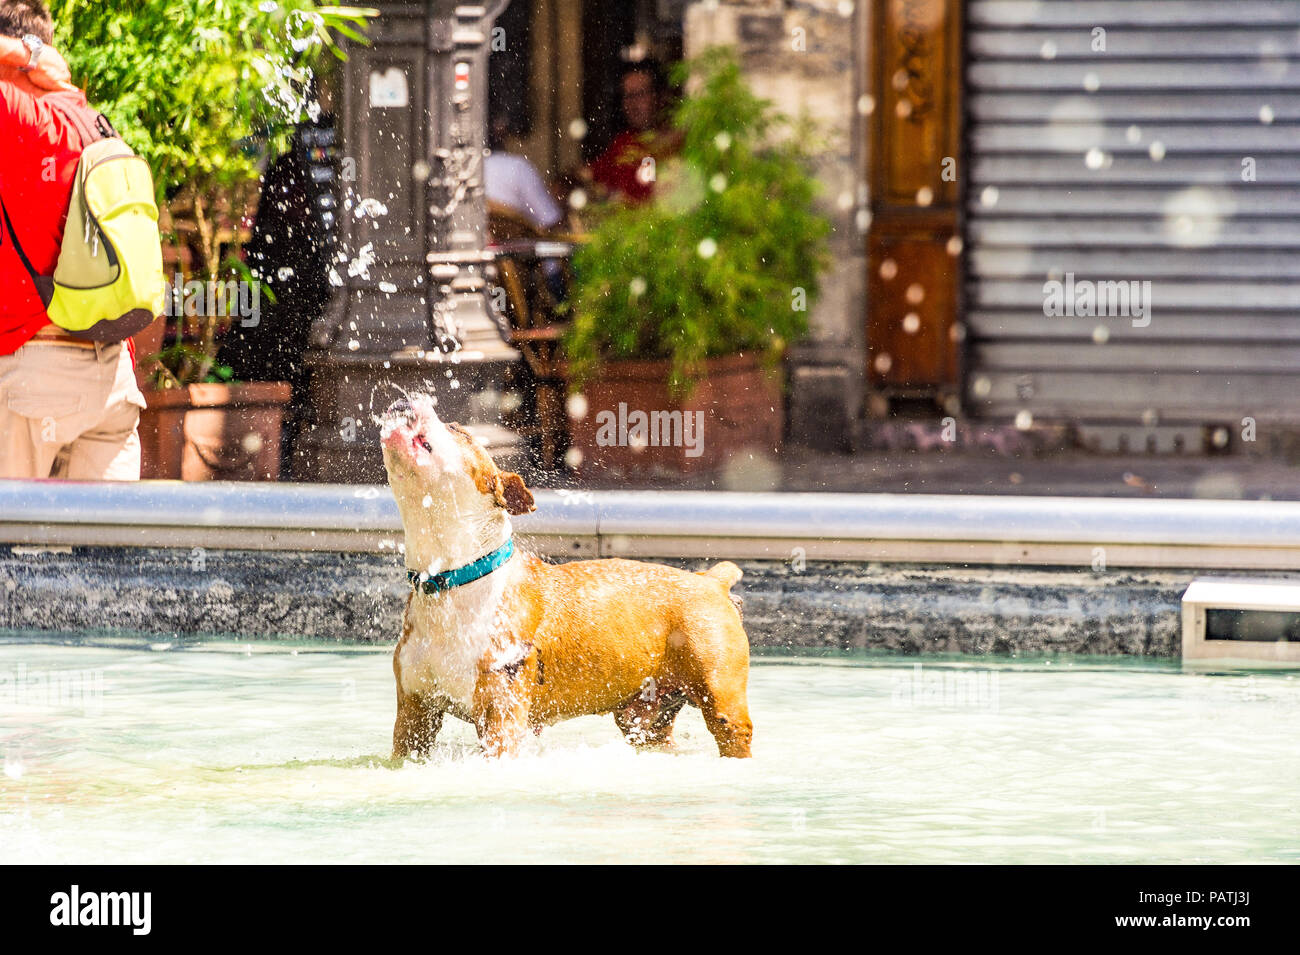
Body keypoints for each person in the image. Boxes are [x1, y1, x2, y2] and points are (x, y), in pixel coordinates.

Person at [0, 0, 148, 481]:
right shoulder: (90, 117)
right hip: (113, 382)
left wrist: (26, 55)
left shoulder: (18, 114)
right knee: (109, 555)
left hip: (33, 376)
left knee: (13, 550)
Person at [588, 60, 680, 205]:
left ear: (661, 97)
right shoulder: (624, 142)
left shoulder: (679, 144)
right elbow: (591, 177)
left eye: (640, 94)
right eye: (627, 96)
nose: (631, 104)